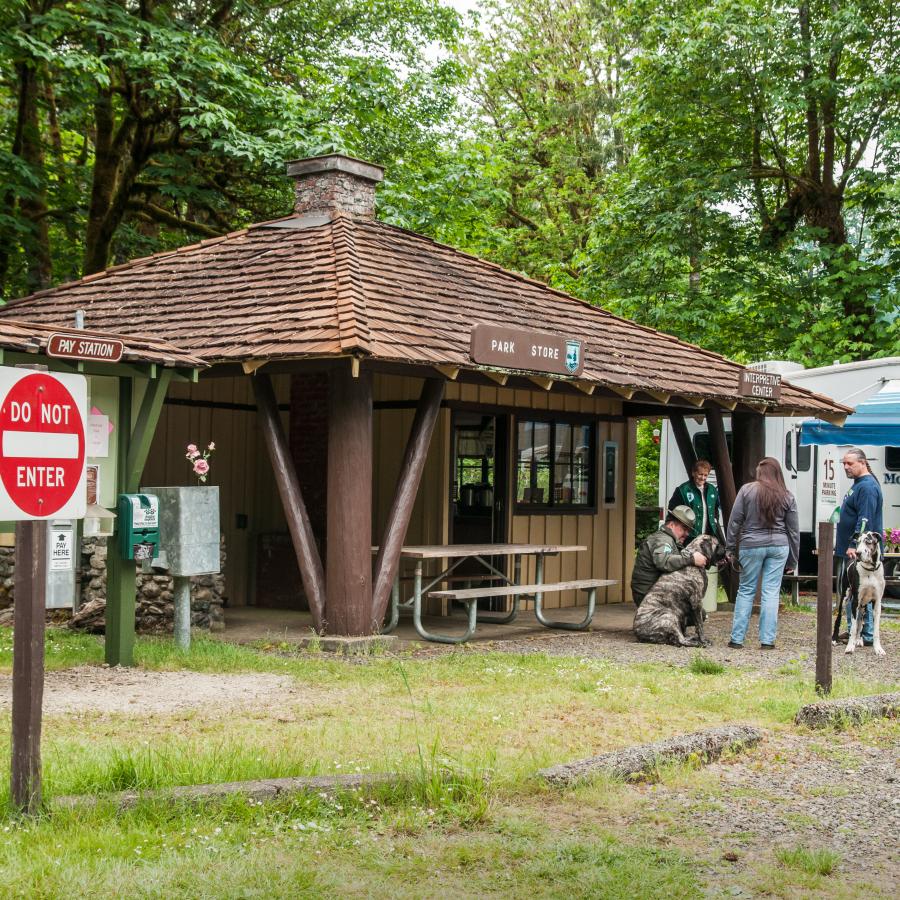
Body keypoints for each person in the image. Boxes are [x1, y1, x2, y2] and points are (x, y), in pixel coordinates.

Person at [726, 457, 799, 649]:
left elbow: (735, 521)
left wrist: (730, 548)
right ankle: (767, 641)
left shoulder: (747, 490)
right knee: (771, 592)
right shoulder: (787, 495)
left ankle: (736, 639)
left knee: (746, 590)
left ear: (760, 474)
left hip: (751, 545)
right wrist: (793, 559)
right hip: (779, 546)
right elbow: (793, 531)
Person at [835, 448, 884, 646]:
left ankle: (865, 634)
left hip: (859, 553)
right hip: (852, 549)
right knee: (855, 591)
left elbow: (865, 519)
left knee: (860, 591)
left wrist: (855, 546)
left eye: (850, 463)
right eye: (844, 464)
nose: (846, 467)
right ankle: (856, 631)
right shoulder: (859, 484)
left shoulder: (868, 487)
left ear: (862, 462)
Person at [632, 505, 708, 606]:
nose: (687, 534)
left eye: (688, 531)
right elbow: (663, 562)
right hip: (649, 595)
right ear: (672, 525)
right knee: (690, 610)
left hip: (652, 592)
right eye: (684, 528)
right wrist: (691, 559)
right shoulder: (663, 540)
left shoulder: (668, 539)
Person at [668, 459, 723, 542]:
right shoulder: (683, 490)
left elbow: (715, 508)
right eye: (700, 474)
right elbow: (672, 510)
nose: (703, 478)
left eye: (705, 475)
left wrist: (715, 520)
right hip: (689, 535)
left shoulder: (712, 489)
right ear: (693, 473)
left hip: (708, 535)